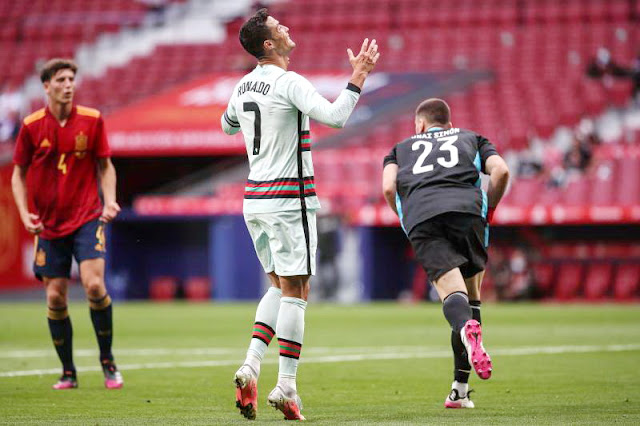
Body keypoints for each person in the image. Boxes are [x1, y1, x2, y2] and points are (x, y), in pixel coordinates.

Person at [221, 8, 379, 420]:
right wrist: (358, 75)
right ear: (269, 44)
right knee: (297, 292)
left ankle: (251, 365)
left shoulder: (242, 86)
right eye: (278, 27)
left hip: (254, 199)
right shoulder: (288, 82)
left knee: (278, 286)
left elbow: (228, 126)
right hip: (289, 199)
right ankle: (286, 387)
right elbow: (336, 116)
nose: (286, 28)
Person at [382, 98, 510, 408]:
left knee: (454, 300)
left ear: (420, 126)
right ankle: (460, 391)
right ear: (449, 125)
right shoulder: (471, 138)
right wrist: (488, 209)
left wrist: (406, 220)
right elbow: (502, 172)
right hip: (468, 212)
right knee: (471, 296)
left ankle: (466, 330)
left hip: (423, 215)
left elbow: (388, 188)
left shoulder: (400, 148)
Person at [11, 58, 122, 390]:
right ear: (47, 86)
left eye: (72, 78)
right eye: (61, 79)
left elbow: (105, 165)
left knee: (93, 286)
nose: (68, 84)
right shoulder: (31, 126)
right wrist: (22, 212)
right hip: (48, 225)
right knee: (56, 298)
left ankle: (108, 361)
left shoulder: (92, 120)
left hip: (87, 216)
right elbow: (18, 174)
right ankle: (68, 371)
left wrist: (110, 199)